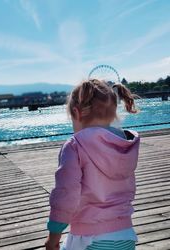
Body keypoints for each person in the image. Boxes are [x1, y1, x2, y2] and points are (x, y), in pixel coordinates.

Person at [45, 79, 140, 250]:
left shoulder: (75, 145)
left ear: (77, 113)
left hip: (90, 240)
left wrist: (53, 237)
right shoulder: (125, 144)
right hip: (126, 237)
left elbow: (66, 196)